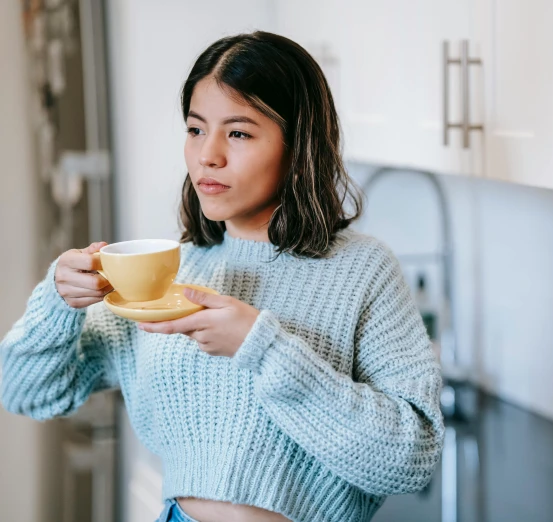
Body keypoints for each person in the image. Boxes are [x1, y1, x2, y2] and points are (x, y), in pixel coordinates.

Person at [0, 31, 445, 522]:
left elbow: (409, 462)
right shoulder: (169, 273)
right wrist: (56, 302)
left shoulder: (363, 271)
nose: (207, 155)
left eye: (238, 132)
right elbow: (26, 390)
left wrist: (262, 346)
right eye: (195, 130)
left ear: (298, 145)